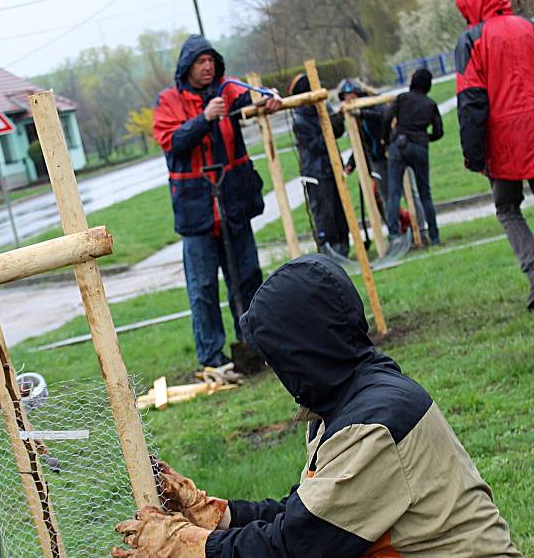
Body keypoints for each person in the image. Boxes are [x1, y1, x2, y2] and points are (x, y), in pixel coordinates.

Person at [112, 254, 530, 558]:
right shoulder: (343, 405)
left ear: (304, 349)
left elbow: (297, 545)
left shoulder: (376, 424)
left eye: (280, 359)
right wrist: (213, 514)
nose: (280, 375)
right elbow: (304, 515)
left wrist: (189, 547)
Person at [152, 34, 281, 370]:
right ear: (187, 67)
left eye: (211, 60)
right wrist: (205, 118)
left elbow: (251, 98)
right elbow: (172, 141)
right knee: (203, 287)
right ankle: (212, 357)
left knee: (248, 276)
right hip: (196, 211)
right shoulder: (168, 101)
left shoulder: (228, 89)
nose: (207, 66)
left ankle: (256, 345)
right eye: (200, 61)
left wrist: (269, 99)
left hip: (233, 204)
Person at [455, 0, 534, 309]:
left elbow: (471, 100)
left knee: (507, 208)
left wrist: (473, 153)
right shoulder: (528, 26)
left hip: (503, 140)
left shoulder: (472, 39)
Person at [340, 79, 427, 238]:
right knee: (386, 198)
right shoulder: (353, 116)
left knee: (410, 194)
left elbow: (383, 116)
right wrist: (350, 165)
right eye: (345, 96)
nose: (348, 99)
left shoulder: (375, 103)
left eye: (350, 95)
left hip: (394, 153)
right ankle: (397, 235)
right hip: (377, 160)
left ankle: (421, 230)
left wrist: (363, 113)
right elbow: (360, 141)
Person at [290, 73, 350, 257]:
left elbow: (337, 132)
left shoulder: (322, 108)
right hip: (316, 172)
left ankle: (343, 246)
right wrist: (330, 126)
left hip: (332, 168)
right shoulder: (301, 120)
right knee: (325, 213)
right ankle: (329, 250)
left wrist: (338, 121)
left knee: (340, 210)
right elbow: (319, 145)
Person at [384, 69, 444, 247]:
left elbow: (387, 117)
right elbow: (439, 131)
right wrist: (426, 138)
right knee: (425, 193)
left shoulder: (402, 98)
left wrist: (385, 139)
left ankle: (394, 233)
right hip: (419, 146)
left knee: (394, 191)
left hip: (399, 144)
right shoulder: (430, 104)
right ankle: (434, 236)